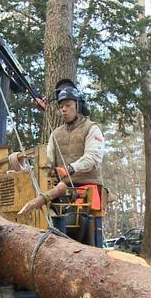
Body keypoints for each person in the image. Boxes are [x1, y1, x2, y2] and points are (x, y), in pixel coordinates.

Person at [19, 79, 105, 217]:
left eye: (68, 105)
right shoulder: (56, 134)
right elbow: (48, 161)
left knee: (78, 224)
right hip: (62, 192)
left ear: (78, 105)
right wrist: (39, 169)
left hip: (88, 191)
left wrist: (69, 169)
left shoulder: (91, 128)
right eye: (61, 106)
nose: (63, 109)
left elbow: (93, 158)